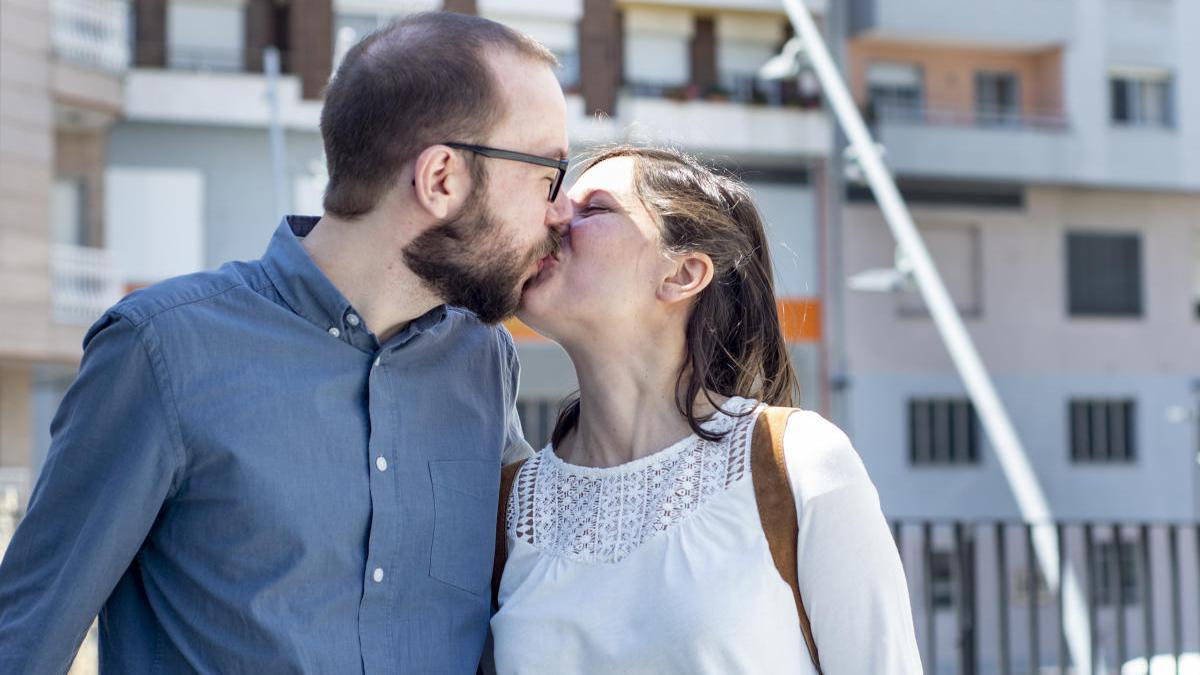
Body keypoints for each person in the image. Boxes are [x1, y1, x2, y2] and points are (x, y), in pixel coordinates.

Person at [0, 12, 570, 673]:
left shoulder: (483, 360)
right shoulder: (161, 351)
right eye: (547, 174)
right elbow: (23, 642)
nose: (562, 210)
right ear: (441, 177)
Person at [491, 146, 923, 673]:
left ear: (682, 274)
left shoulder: (799, 463)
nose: (554, 216)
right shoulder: (510, 503)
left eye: (595, 208)